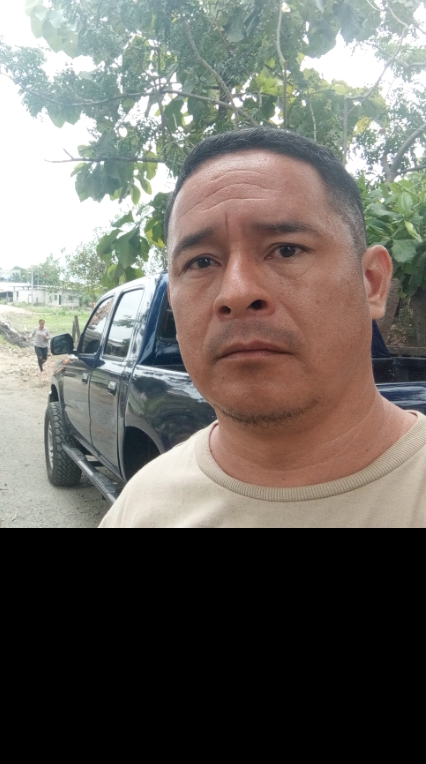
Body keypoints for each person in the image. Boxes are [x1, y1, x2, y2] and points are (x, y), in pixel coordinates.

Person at [101, 126, 425, 529]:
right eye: (201, 262)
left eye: (286, 250)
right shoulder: (141, 509)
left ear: (371, 282)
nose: (236, 293)